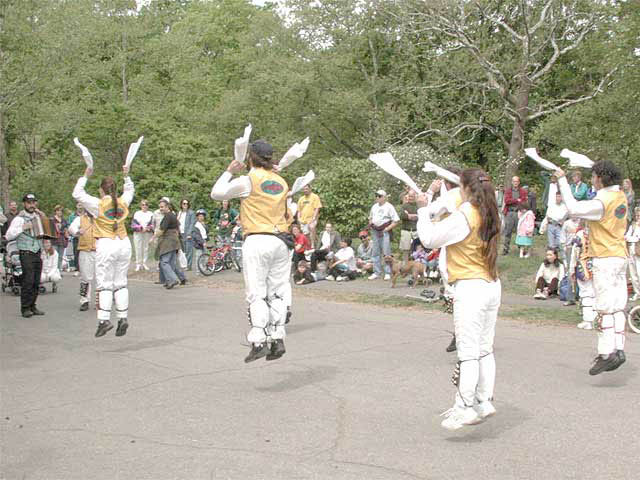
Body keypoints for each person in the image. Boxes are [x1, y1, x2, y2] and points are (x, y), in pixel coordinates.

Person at [416, 168, 502, 430]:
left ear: (465, 188)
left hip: (470, 286)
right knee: (484, 349)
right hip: (490, 284)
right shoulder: (490, 212)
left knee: (468, 353)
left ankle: (464, 407)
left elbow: (430, 239)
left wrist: (422, 209)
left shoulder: (466, 214)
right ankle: (484, 400)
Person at [210, 139, 293, 363]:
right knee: (276, 292)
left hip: (257, 238)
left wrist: (228, 171)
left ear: (250, 157)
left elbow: (217, 194)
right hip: (280, 241)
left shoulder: (248, 180)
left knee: (256, 292)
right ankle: (277, 337)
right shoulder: (282, 181)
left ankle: (258, 340)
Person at [556, 161, 628, 375]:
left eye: (594, 176)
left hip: (604, 257)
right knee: (617, 306)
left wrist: (561, 179)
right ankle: (619, 347)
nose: (591, 180)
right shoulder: (620, 195)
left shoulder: (602, 201)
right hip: (619, 255)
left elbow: (574, 208)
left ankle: (607, 353)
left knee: (604, 307)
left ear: (600, 179)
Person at [73, 166, 134, 337]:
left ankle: (104, 320)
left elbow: (77, 194)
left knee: (104, 283)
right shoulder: (123, 202)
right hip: (124, 242)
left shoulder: (97, 204)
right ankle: (122, 317)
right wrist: (126, 175)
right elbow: (130, 191)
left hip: (106, 243)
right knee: (121, 282)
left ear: (101, 189)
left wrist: (85, 175)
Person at [5, 194, 46, 318]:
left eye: (33, 202)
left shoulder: (37, 217)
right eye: (29, 202)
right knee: (28, 280)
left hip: (37, 251)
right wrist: (22, 228)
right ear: (24, 204)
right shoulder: (19, 219)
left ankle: (33, 305)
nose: (32, 205)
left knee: (36, 281)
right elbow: (8, 235)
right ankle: (25, 308)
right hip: (26, 252)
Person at [152, 199, 186, 289]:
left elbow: (161, 230)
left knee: (164, 262)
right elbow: (177, 227)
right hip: (174, 241)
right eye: (159, 207)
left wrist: (152, 238)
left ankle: (172, 279)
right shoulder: (172, 215)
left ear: (167, 207)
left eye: (162, 207)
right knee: (172, 263)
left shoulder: (168, 216)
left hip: (168, 242)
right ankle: (179, 279)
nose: (160, 209)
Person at [68, 208, 97, 311]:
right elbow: (71, 228)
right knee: (85, 277)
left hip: (99, 251)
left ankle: (100, 301)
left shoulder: (100, 218)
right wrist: (77, 231)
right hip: (86, 251)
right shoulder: (80, 219)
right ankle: (84, 300)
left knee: (100, 277)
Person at [569, 223, 596, 329]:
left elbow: (574, 253)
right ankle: (595, 318)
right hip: (596, 265)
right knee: (595, 292)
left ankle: (588, 319)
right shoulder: (598, 233)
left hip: (583, 265)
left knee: (586, 293)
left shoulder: (580, 234)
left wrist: (571, 269)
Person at [368, 190, 399, 280]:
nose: (377, 197)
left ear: (384, 197)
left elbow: (396, 220)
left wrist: (387, 229)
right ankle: (376, 272)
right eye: (376, 196)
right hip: (375, 231)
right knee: (375, 252)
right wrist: (371, 224)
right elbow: (370, 218)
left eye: (379, 196)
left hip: (385, 231)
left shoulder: (389, 207)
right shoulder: (374, 206)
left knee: (386, 252)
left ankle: (388, 272)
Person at [502, 176, 528, 255]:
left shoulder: (523, 191)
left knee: (520, 231)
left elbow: (523, 201)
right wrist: (517, 200)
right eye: (514, 181)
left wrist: (514, 201)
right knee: (507, 232)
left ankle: (521, 249)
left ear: (519, 182)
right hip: (509, 213)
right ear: (512, 182)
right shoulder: (508, 191)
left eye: (516, 181)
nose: (515, 183)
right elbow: (507, 201)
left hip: (519, 213)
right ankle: (505, 250)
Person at [132, 199, 154, 271]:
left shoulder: (150, 213)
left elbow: (152, 223)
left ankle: (144, 263)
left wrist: (148, 228)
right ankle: (138, 264)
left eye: (146, 205)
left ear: (148, 206)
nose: (144, 206)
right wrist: (141, 229)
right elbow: (134, 223)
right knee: (138, 247)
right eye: (143, 205)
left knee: (146, 248)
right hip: (138, 233)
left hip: (147, 233)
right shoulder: (137, 213)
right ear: (140, 206)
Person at [399, 190, 418, 264]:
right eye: (409, 196)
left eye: (412, 196)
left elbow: (421, 216)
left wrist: (409, 215)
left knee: (418, 248)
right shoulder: (404, 205)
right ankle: (405, 266)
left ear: (415, 197)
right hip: (406, 230)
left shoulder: (418, 205)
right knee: (405, 249)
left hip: (416, 230)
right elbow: (402, 216)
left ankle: (416, 265)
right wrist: (412, 216)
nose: (411, 198)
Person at [625, 207, 640, 301]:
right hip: (631, 251)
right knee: (633, 274)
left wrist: (632, 238)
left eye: (639, 215)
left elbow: (637, 239)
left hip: (639, 252)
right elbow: (626, 236)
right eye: (637, 215)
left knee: (639, 273)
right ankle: (637, 293)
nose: (638, 217)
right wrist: (632, 238)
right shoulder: (633, 225)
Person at [177, 199, 196, 270]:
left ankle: (188, 265)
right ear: (181, 204)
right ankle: (183, 264)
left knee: (189, 250)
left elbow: (192, 223)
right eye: (184, 203)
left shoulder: (191, 213)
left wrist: (189, 233)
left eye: (187, 204)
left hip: (187, 233)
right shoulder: (179, 213)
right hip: (180, 233)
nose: (185, 205)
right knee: (182, 250)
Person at [50, 205, 69, 271]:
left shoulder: (64, 220)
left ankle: (58, 270)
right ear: (55, 211)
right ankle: (53, 270)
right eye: (58, 210)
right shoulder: (52, 220)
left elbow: (66, 229)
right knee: (54, 256)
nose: (59, 212)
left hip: (62, 240)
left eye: (61, 211)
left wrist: (66, 233)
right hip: (54, 240)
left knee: (60, 257)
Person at [68, 203, 84, 273]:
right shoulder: (72, 216)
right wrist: (76, 232)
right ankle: (77, 268)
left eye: (81, 205)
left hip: (85, 238)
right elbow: (70, 226)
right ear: (76, 206)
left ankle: (83, 268)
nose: (80, 207)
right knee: (76, 253)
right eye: (78, 205)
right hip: (76, 237)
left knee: (83, 253)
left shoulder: (86, 215)